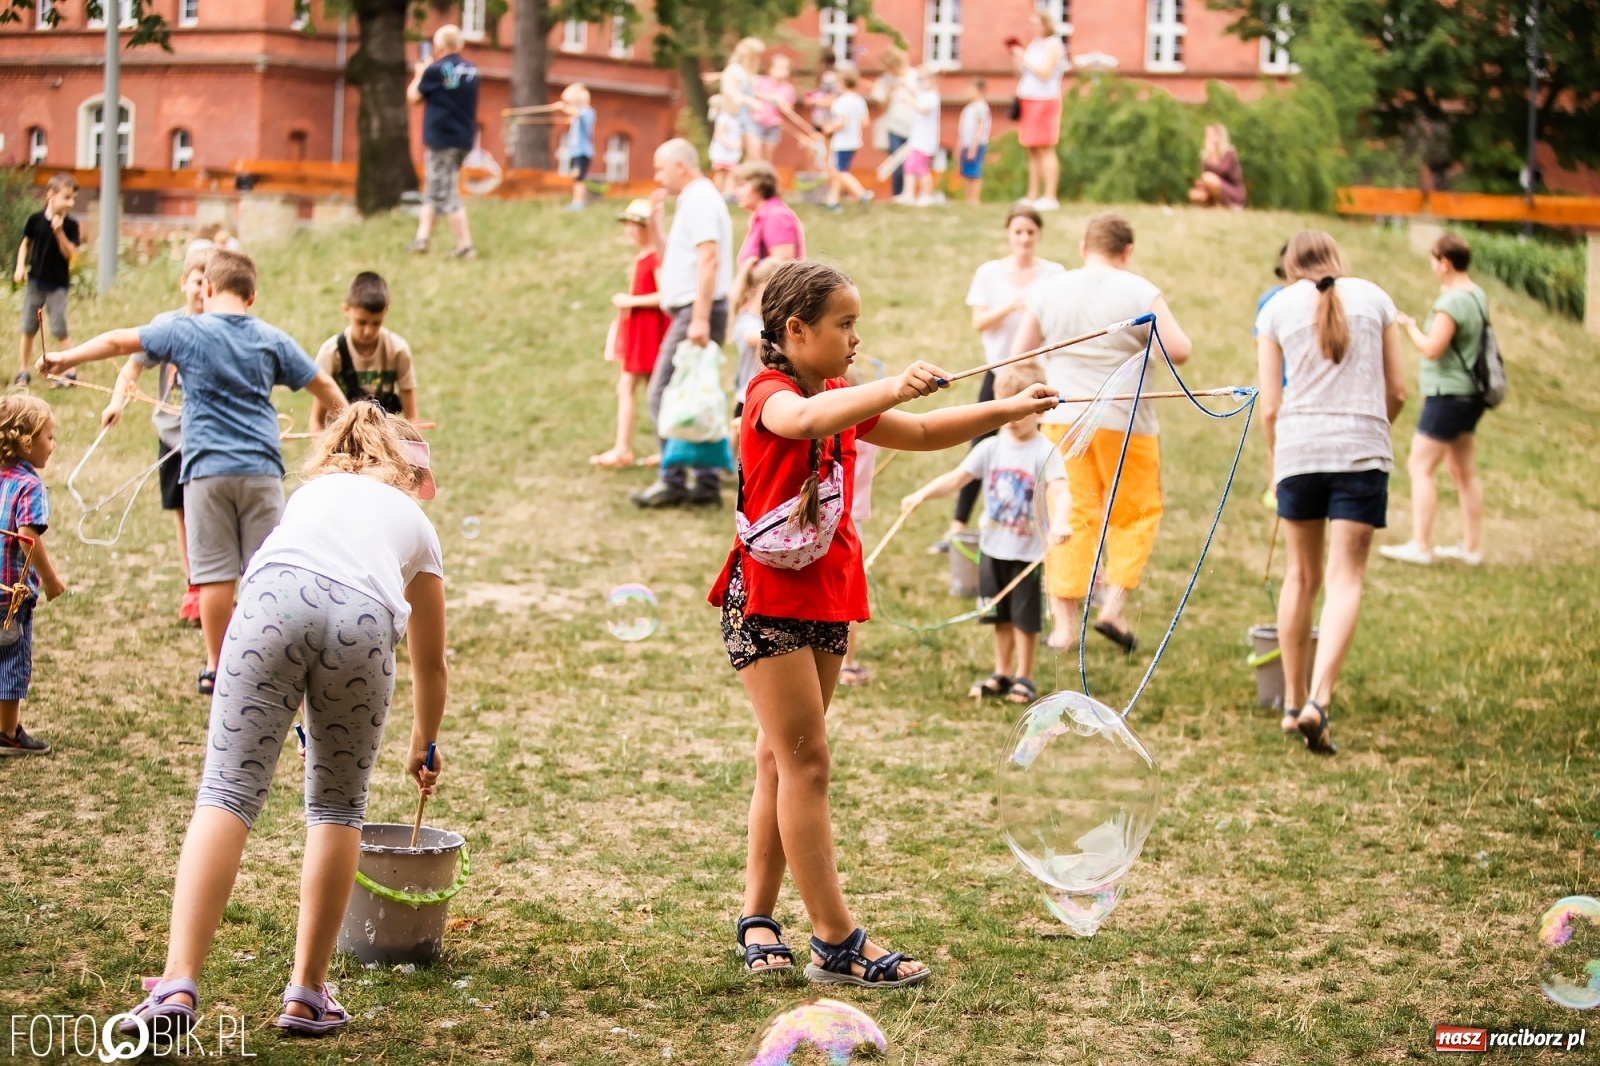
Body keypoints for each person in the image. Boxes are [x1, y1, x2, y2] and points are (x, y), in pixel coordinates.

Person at [711, 259, 1060, 985]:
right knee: (806, 762)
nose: (855, 338)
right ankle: (835, 942)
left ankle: (757, 918)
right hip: (769, 601)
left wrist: (1009, 407)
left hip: (828, 596)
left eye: (856, 325)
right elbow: (803, 421)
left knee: (783, 759)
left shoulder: (843, 394)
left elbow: (928, 431)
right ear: (796, 330)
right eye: (844, 325)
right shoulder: (769, 394)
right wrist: (890, 383)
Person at [116, 405, 447, 1040]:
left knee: (227, 792)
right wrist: (423, 744)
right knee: (338, 808)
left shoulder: (313, 492)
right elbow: (430, 665)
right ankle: (306, 994)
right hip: (364, 620)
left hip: (273, 599)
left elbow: (304, 596)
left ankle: (178, 982)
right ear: (406, 470)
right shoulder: (417, 524)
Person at [39, 250, 348, 696]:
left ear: (206, 289)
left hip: (205, 470)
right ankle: (269, 663)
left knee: (215, 576)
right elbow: (322, 383)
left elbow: (117, 342)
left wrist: (66, 359)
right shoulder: (271, 338)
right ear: (252, 296)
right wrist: (354, 424)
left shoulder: (182, 330)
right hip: (260, 469)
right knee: (265, 573)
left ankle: (218, 667)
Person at [1010, 213, 1192, 652]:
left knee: (1070, 516)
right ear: (1126, 252)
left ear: (1083, 248)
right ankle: (1112, 606)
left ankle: (1064, 628)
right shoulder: (1138, 289)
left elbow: (1019, 354)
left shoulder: (1048, 290)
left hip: (1062, 420)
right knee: (1135, 513)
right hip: (1125, 423)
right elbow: (1180, 350)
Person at [1255, 229, 1407, 754]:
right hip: (1362, 452)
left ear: (1290, 264)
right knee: (1346, 579)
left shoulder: (1275, 308)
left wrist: (1276, 465)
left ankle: (1293, 703)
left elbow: (1269, 406)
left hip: (1299, 452)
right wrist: (1370, 428)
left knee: (1301, 576)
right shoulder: (1376, 298)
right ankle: (1320, 699)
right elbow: (1399, 391)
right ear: (1336, 258)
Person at [901, 362, 1069, 705]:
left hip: (1026, 552)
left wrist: (1062, 521)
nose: (1010, 416)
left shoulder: (1044, 451)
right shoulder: (990, 448)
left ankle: (1025, 676)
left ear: (1038, 408)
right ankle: (1002, 672)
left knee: (1025, 619)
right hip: (992, 549)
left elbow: (1061, 490)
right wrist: (922, 494)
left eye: (1018, 409)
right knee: (998, 615)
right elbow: (957, 478)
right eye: (1003, 405)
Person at [934, 204, 1066, 554]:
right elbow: (980, 322)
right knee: (980, 444)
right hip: (998, 375)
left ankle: (1042, 529)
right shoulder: (990, 273)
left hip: (1036, 375)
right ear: (1009, 234)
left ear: (1039, 236)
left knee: (1041, 451)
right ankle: (957, 526)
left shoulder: (1055, 274)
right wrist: (1013, 306)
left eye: (1030, 232)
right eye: (1018, 231)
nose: (1024, 238)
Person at [634, 139, 735, 509]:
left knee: (664, 392)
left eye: (661, 168)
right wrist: (658, 226)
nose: (657, 177)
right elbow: (673, 260)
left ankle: (673, 478)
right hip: (689, 309)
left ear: (680, 165)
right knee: (694, 395)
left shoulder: (701, 199)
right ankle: (704, 482)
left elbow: (709, 259)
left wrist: (701, 317)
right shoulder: (691, 202)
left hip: (697, 310)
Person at [1380, 232, 1488, 567]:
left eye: (1433, 259)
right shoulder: (1476, 295)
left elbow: (1432, 348)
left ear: (1444, 262)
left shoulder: (1452, 303)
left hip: (1447, 396)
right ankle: (1471, 547)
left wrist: (1409, 326)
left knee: (1420, 466)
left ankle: (1421, 544)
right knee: (1463, 471)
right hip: (1470, 395)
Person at [129, 247, 210, 625]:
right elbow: (133, 365)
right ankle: (193, 586)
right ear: (183, 283)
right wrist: (119, 397)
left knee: (207, 514)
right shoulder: (167, 325)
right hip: (172, 440)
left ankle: (213, 587)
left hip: (209, 439)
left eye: (210, 284)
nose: (202, 290)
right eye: (197, 281)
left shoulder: (221, 327)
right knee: (182, 514)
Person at [0, 395, 67, 756]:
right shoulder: (29, 486)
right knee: (11, 660)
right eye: (49, 438)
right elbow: (28, 537)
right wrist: (51, 580)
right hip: (11, 596)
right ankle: (8, 734)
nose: (53, 446)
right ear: (27, 443)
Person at [593, 199, 671, 469]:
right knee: (651, 389)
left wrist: (630, 301)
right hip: (641, 330)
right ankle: (663, 448)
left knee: (633, 386)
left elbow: (665, 295)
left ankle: (624, 448)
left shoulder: (654, 258)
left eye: (633, 225)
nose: (628, 230)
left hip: (649, 331)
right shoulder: (645, 256)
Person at [310, 272, 420, 431]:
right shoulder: (331, 353)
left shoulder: (397, 350)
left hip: (384, 441)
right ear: (346, 309)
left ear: (386, 311)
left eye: (376, 323)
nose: (368, 331)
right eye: (361, 322)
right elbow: (316, 420)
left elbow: (412, 418)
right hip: (341, 443)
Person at [406, 24, 479, 258]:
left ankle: (465, 246)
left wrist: (420, 74)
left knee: (446, 193)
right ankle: (422, 239)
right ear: (460, 45)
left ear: (438, 47)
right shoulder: (471, 71)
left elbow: (414, 97)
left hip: (441, 139)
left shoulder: (435, 71)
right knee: (435, 188)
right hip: (463, 138)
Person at [14, 173, 79, 387]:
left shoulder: (71, 226)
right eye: (67, 197)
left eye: (73, 199)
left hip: (57, 286)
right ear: (50, 195)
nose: (71, 203)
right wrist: (20, 266)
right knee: (28, 327)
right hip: (35, 282)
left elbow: (70, 253)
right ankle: (23, 371)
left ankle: (70, 373)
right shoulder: (35, 220)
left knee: (59, 328)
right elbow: (26, 243)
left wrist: (59, 232)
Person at [1010, 11, 1067, 211]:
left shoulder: (1054, 45)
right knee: (1031, 148)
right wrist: (1017, 57)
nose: (1032, 28)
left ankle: (1050, 196)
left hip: (1045, 101)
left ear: (1045, 24)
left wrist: (1024, 57)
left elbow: (1044, 73)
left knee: (1045, 147)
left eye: (1035, 24)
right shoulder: (1034, 45)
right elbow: (1024, 72)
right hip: (1028, 99)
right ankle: (1032, 195)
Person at [730, 160, 805, 312]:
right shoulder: (762, 217)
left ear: (760, 186)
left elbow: (780, 268)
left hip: (767, 311)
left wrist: (756, 315)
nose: (735, 193)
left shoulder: (776, 215)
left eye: (742, 186)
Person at [1255, 242, 1289, 508]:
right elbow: (1259, 340)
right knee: (1274, 431)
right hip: (1279, 380)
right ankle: (1274, 485)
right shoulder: (1270, 299)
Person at [869, 47, 919, 200]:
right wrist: (889, 93)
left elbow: (923, 99)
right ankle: (897, 194)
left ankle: (909, 194)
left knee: (911, 163)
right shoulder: (884, 80)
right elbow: (881, 106)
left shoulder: (913, 76)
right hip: (894, 126)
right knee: (896, 163)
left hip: (913, 126)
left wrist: (907, 88)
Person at [822, 70, 871, 211]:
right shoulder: (859, 100)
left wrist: (829, 128)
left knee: (840, 173)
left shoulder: (840, 101)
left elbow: (841, 123)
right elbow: (865, 122)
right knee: (840, 171)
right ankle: (833, 202)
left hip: (841, 143)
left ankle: (862, 194)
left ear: (841, 83)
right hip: (855, 141)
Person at [719, 37, 766, 162]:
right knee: (731, 160)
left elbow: (751, 93)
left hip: (746, 118)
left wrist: (768, 98)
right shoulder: (735, 70)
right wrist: (750, 101)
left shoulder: (747, 73)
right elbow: (730, 91)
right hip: (734, 117)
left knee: (755, 154)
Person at [903, 66, 942, 206]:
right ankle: (909, 194)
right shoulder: (924, 94)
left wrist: (911, 102)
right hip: (916, 138)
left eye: (922, 79)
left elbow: (924, 108)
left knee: (921, 168)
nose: (920, 82)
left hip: (925, 140)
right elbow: (915, 93)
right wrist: (905, 85)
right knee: (909, 166)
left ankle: (927, 195)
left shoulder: (933, 96)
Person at [556, 83, 596, 212]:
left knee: (579, 178)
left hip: (582, 152)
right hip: (576, 152)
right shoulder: (578, 115)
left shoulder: (588, 112)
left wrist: (563, 107)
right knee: (576, 178)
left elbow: (579, 114)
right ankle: (576, 201)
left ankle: (578, 202)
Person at [751, 54, 797, 163]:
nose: (783, 71)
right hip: (756, 122)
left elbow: (790, 111)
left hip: (774, 125)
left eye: (786, 68)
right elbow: (749, 93)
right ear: (771, 68)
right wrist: (767, 97)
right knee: (755, 155)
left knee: (768, 157)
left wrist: (783, 105)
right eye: (780, 67)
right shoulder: (759, 80)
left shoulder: (788, 88)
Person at [1189, 124, 1246, 209]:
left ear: (1218, 136)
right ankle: (1213, 205)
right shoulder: (1205, 155)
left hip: (1232, 190)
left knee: (1208, 178)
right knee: (1194, 194)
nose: (1207, 138)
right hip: (1212, 186)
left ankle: (1227, 205)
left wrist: (1211, 156)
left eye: (1210, 134)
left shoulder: (1229, 152)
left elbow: (1221, 170)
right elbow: (1204, 174)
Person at [958, 78, 992, 204]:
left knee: (974, 173)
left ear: (980, 91)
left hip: (975, 144)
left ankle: (974, 200)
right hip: (966, 143)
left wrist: (974, 145)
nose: (968, 92)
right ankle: (968, 199)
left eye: (971, 89)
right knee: (966, 173)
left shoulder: (981, 107)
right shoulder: (969, 108)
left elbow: (979, 127)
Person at [708, 94, 745, 195]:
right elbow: (718, 134)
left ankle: (728, 193)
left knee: (731, 173)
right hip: (724, 153)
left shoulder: (734, 119)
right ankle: (716, 193)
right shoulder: (724, 119)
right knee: (720, 173)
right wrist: (732, 145)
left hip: (731, 154)